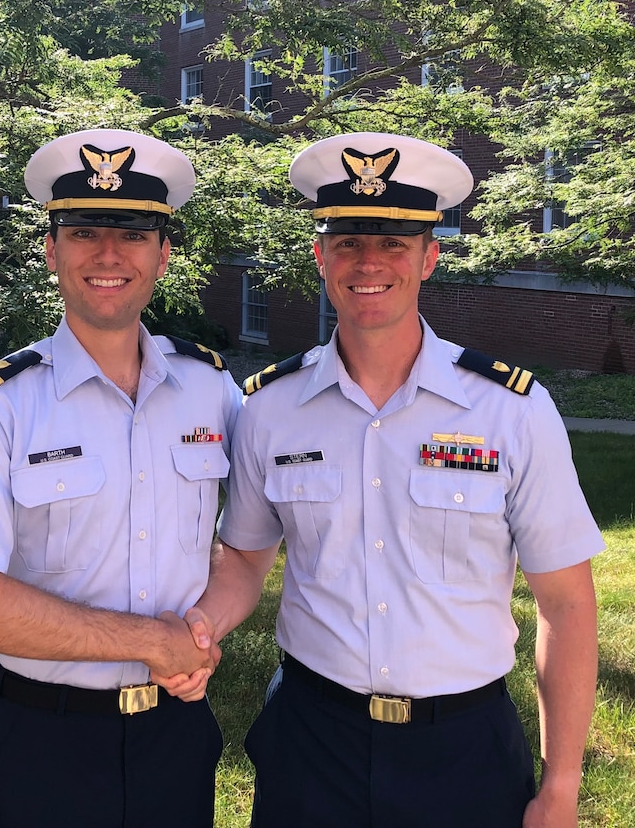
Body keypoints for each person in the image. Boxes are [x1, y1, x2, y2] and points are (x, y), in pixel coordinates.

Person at [193, 132, 604, 828]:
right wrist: (195, 630)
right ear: (321, 257)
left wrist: (560, 782)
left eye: (394, 241)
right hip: (311, 740)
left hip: (464, 752)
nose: (370, 262)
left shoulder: (510, 410)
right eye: (348, 241)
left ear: (430, 256)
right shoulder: (270, 409)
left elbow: (567, 605)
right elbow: (243, 561)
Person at [0, 128, 241, 828]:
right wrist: (152, 640)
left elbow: (252, 534)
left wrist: (205, 627)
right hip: (45, 746)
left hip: (178, 735)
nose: (109, 254)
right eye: (84, 231)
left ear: (163, 254)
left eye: (135, 233)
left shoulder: (211, 390)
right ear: (51, 251)